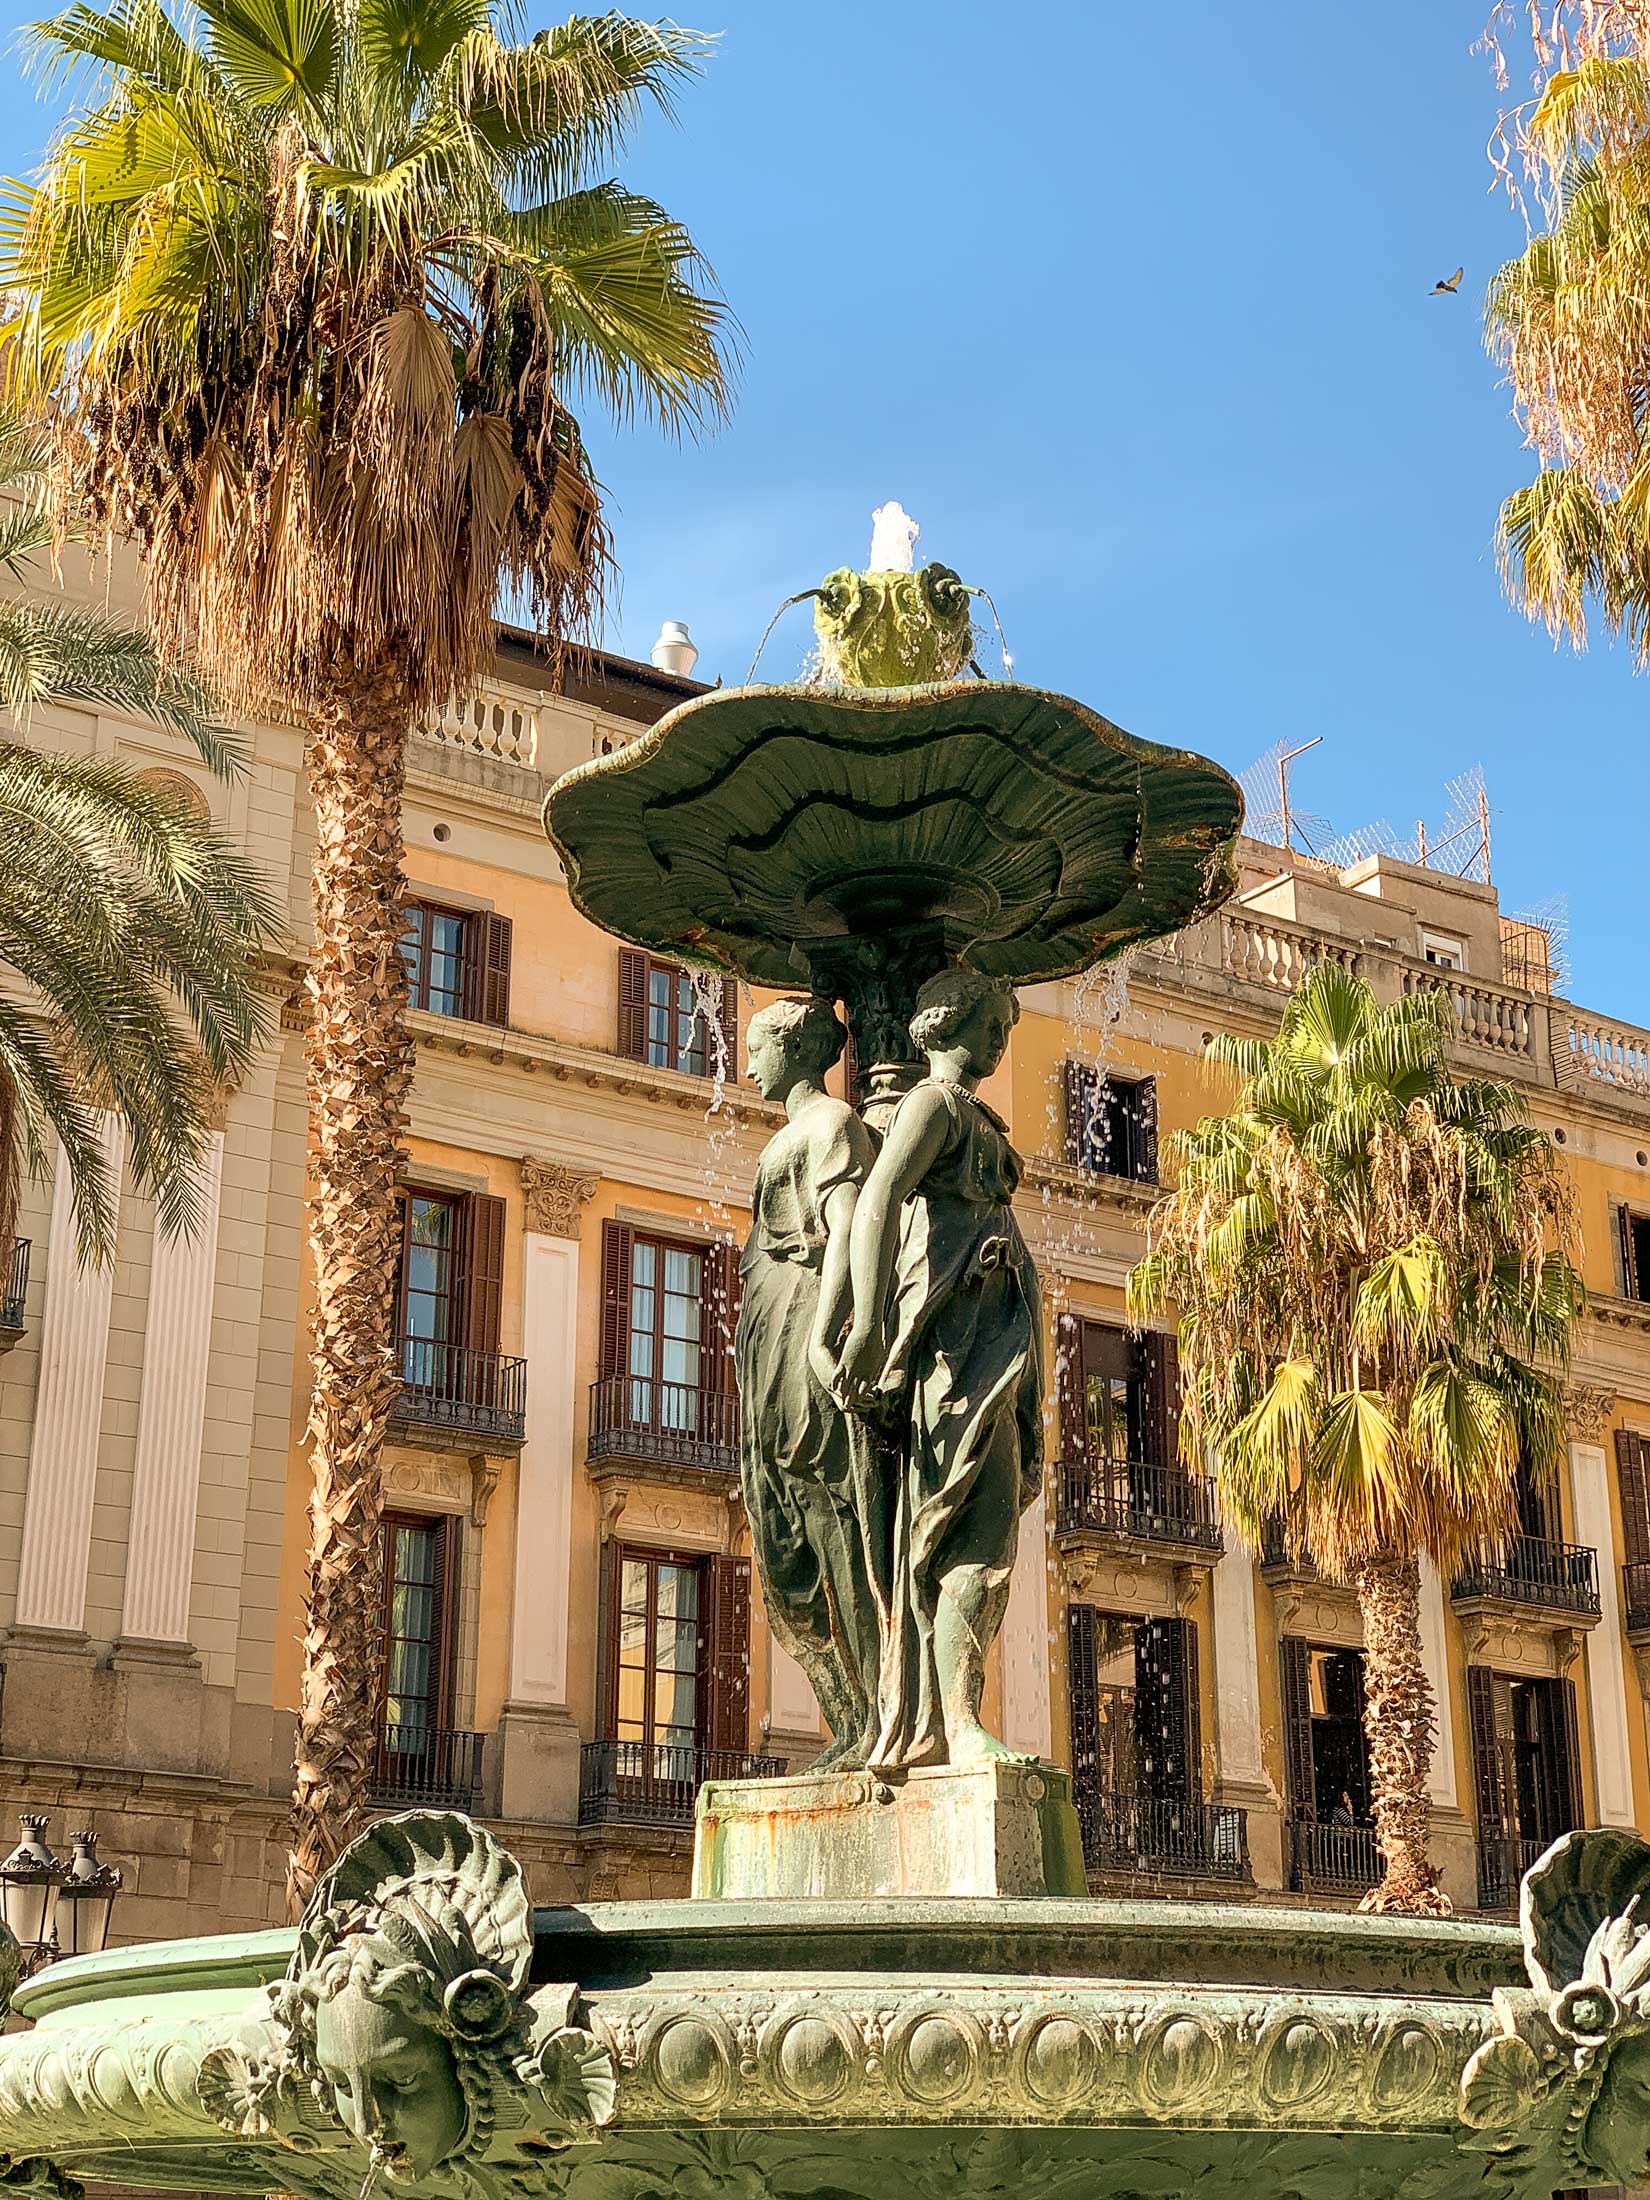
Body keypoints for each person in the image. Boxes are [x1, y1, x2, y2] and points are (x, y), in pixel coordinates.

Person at [835, 968, 1043, 1769]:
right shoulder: (933, 1105)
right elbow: (879, 1199)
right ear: (947, 1017)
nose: (1000, 1038)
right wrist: (865, 1323)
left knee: (983, 1529)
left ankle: (956, 1715)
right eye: (991, 1021)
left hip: (996, 1339)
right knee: (963, 1529)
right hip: (955, 1347)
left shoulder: (975, 1114)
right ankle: (953, 1722)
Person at [739, 995, 886, 1768]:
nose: (748, 1061)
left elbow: (848, 1232)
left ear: (796, 1050)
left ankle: (877, 1720)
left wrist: (833, 1336)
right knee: (783, 1545)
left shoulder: (831, 1126)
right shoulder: (793, 1132)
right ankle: (848, 1719)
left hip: (803, 1328)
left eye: (758, 1045)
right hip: (768, 1337)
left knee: (838, 1529)